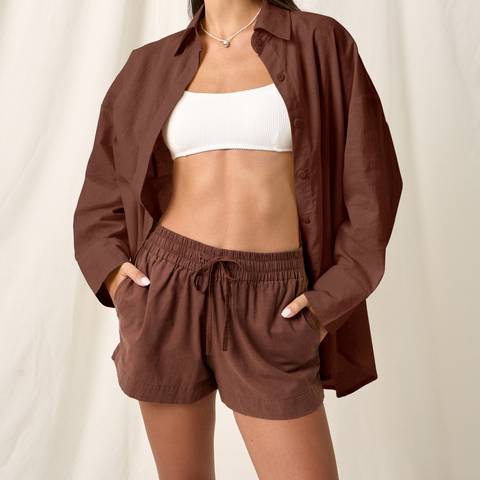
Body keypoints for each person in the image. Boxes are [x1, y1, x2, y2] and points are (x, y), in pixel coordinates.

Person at [73, 0, 402, 478]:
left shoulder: (321, 43)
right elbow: (103, 185)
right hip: (165, 290)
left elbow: (372, 186)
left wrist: (325, 305)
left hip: (275, 301)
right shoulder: (150, 63)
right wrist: (118, 283)